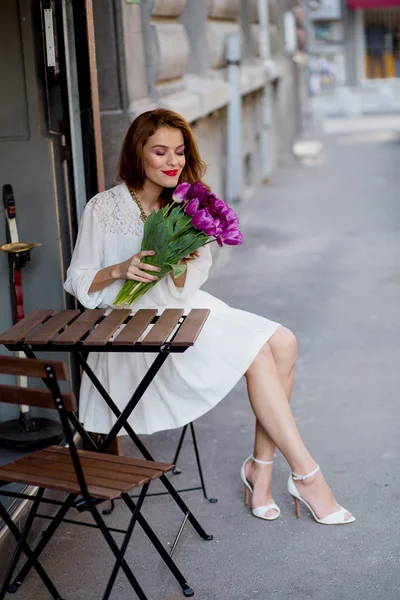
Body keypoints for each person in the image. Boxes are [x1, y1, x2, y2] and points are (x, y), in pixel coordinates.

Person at [64, 109, 354, 525]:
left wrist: (179, 265)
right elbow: (76, 279)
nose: (172, 162)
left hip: (184, 309)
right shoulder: (104, 208)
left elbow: (197, 275)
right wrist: (119, 270)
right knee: (257, 353)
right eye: (160, 151)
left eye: (179, 152)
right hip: (132, 328)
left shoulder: (188, 202)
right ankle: (307, 476)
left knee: (283, 341)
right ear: (138, 153)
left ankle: (261, 468)